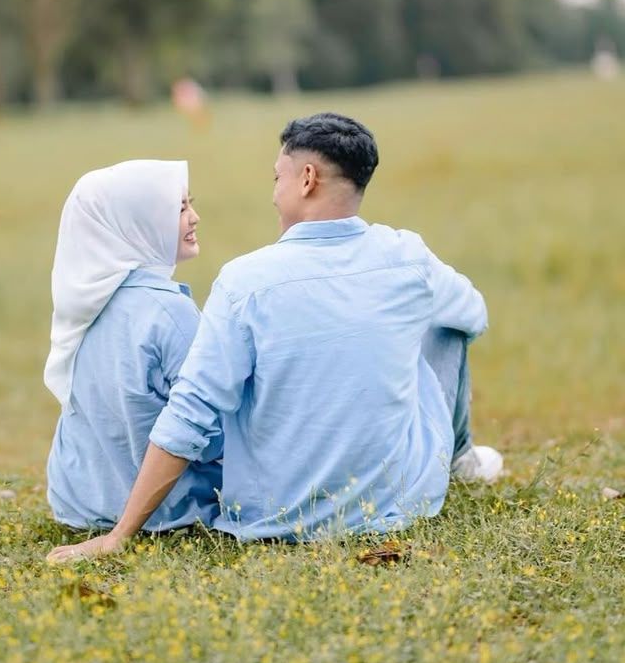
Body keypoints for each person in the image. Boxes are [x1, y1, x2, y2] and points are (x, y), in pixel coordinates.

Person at [47, 115, 502, 561]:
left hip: (273, 516)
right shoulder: (409, 257)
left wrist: (120, 534)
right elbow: (473, 315)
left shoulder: (244, 281)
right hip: (393, 504)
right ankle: (459, 458)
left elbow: (190, 411)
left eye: (277, 177)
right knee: (445, 322)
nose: (273, 192)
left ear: (307, 179)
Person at [44, 159, 221, 534]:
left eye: (190, 204)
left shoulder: (84, 303)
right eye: (179, 209)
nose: (195, 217)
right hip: (164, 511)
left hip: (79, 505)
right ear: (138, 222)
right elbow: (208, 429)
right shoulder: (168, 311)